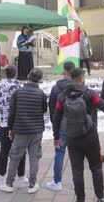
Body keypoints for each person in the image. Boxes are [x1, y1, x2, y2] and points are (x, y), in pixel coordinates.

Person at [53, 68, 104, 202]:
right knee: (96, 168)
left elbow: (56, 117)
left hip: (72, 138)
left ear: (71, 78)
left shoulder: (62, 96)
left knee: (77, 170)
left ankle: (80, 199)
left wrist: (56, 137)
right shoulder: (90, 94)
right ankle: (100, 197)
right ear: (82, 79)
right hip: (90, 137)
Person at [0, 68, 47, 194]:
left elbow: (12, 112)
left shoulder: (18, 92)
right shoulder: (41, 93)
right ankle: (32, 185)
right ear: (40, 79)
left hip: (20, 129)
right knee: (34, 157)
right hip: (36, 130)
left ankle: (9, 183)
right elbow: (43, 109)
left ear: (27, 76)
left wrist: (10, 128)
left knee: (15, 156)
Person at [0, 64, 27, 188]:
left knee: (4, 151)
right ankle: (21, 176)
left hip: (3, 122)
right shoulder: (18, 86)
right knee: (21, 150)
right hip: (16, 123)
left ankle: (1, 177)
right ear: (16, 73)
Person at [46, 62, 75, 191]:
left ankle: (57, 182)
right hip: (77, 123)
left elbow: (52, 108)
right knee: (76, 153)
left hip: (62, 123)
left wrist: (55, 124)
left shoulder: (56, 88)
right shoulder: (79, 86)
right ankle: (76, 182)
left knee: (60, 151)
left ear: (64, 71)